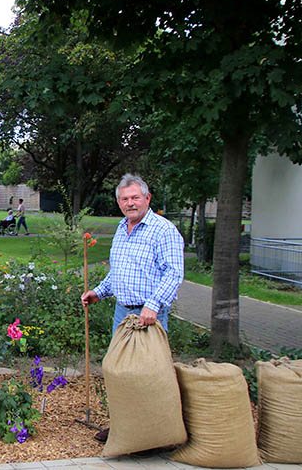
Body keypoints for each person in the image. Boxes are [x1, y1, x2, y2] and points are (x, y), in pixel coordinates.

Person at [80, 173, 184, 443]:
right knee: (119, 373)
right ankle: (123, 428)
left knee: (146, 376)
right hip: (122, 313)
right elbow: (119, 272)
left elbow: (173, 273)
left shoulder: (163, 230)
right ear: (118, 203)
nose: (130, 203)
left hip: (148, 316)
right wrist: (98, 292)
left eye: (135, 197)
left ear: (147, 198)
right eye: (125, 199)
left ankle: (151, 436)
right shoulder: (121, 228)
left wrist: (153, 304)